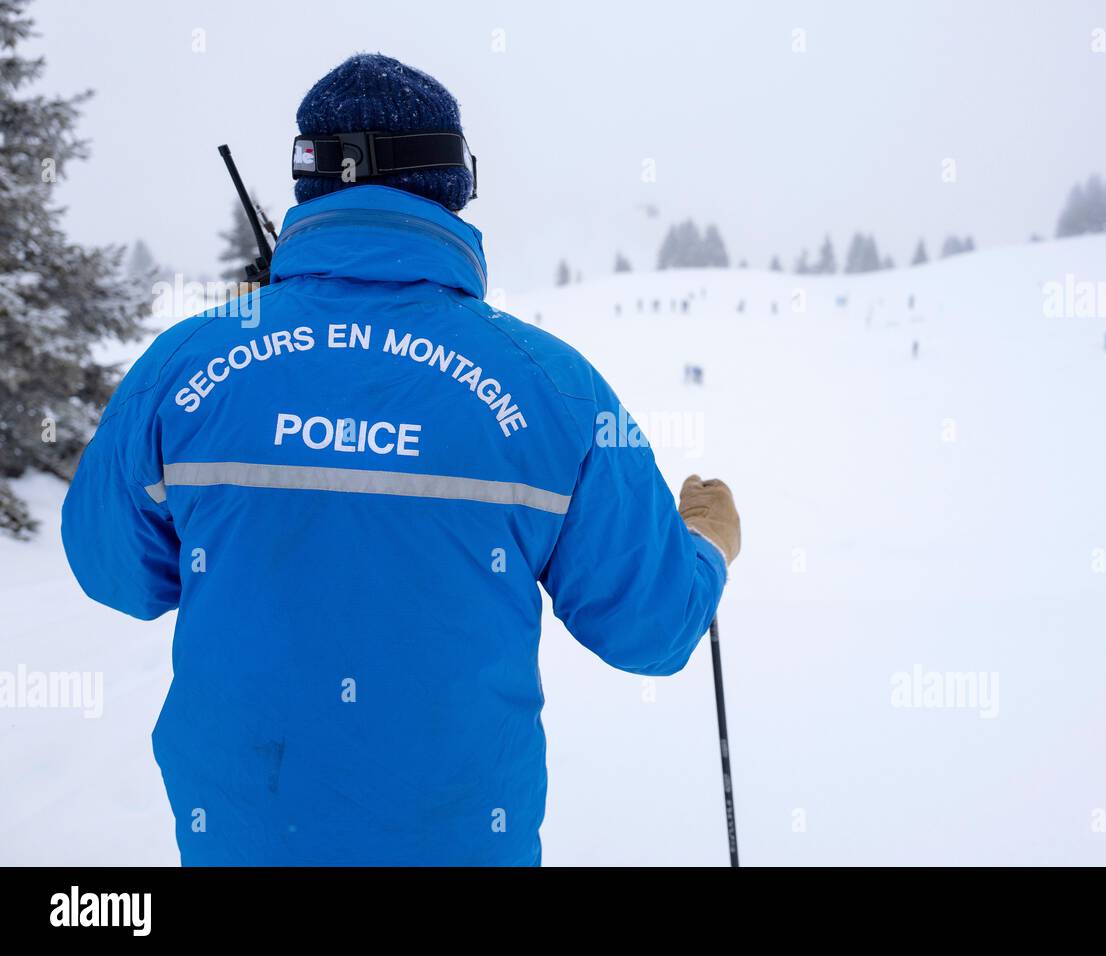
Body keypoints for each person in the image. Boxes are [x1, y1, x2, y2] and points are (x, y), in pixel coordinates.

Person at [60, 54, 740, 866]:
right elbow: (651, 627)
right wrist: (704, 543)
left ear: (307, 183)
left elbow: (115, 573)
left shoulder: (184, 365)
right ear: (452, 185)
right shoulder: (555, 388)